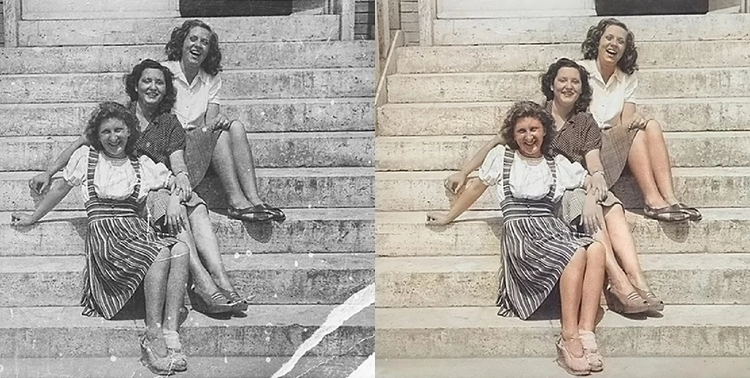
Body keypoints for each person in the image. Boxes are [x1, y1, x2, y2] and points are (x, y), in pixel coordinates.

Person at [29, 60, 249, 315]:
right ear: (136, 85)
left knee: (197, 207)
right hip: (140, 193)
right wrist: (49, 171)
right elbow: (81, 144)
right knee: (169, 207)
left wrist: (182, 181)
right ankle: (204, 284)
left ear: (167, 90)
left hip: (162, 181)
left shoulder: (169, 123)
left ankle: (222, 279)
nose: (152, 87)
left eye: (159, 82)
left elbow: (177, 161)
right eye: (147, 81)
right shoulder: (120, 118)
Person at [445, 59, 661, 314]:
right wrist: (464, 171)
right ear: (551, 84)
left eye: (575, 82)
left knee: (612, 207)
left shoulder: (584, 121)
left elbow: (592, 160)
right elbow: (496, 143)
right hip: (553, 196)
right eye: (562, 80)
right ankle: (618, 282)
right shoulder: (535, 117)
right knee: (582, 203)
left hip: (577, 181)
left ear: (582, 89)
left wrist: (597, 182)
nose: (568, 86)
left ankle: (638, 281)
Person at [428, 101, 606, 375]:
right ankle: (567, 338)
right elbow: (476, 187)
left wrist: (592, 199)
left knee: (596, 250)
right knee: (576, 252)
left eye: (534, 129)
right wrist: (448, 216)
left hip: (551, 231)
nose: (529, 136)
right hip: (523, 238)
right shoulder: (502, 157)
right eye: (521, 131)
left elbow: (590, 181)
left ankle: (585, 333)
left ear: (545, 131)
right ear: (513, 135)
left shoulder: (556, 163)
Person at [11, 102, 190, 375]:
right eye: (106, 132)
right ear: (98, 135)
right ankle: (152, 335)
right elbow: (60, 189)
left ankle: (170, 330)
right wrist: (33, 217)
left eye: (119, 130)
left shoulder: (141, 163)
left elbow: (175, 181)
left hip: (135, 232)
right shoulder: (87, 157)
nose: (113, 137)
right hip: (107, 240)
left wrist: (176, 199)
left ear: (130, 132)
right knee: (161, 252)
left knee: (181, 249)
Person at [578, 18, 700, 222]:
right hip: (588, 149)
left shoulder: (626, 77)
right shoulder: (580, 70)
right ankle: (652, 199)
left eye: (620, 41)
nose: (613, 44)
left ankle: (670, 197)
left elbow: (627, 121)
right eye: (608, 38)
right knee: (636, 130)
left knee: (650, 125)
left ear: (625, 49)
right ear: (597, 41)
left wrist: (638, 119)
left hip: (612, 142)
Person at [162, 19, 284, 222]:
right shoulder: (165, 71)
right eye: (192, 39)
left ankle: (253, 198)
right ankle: (236, 201)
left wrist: (220, 121)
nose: (197, 46)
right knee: (218, 134)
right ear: (181, 42)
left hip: (196, 144)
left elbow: (210, 122)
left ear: (209, 50)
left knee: (234, 126)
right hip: (173, 152)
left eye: (204, 42)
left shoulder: (210, 78)